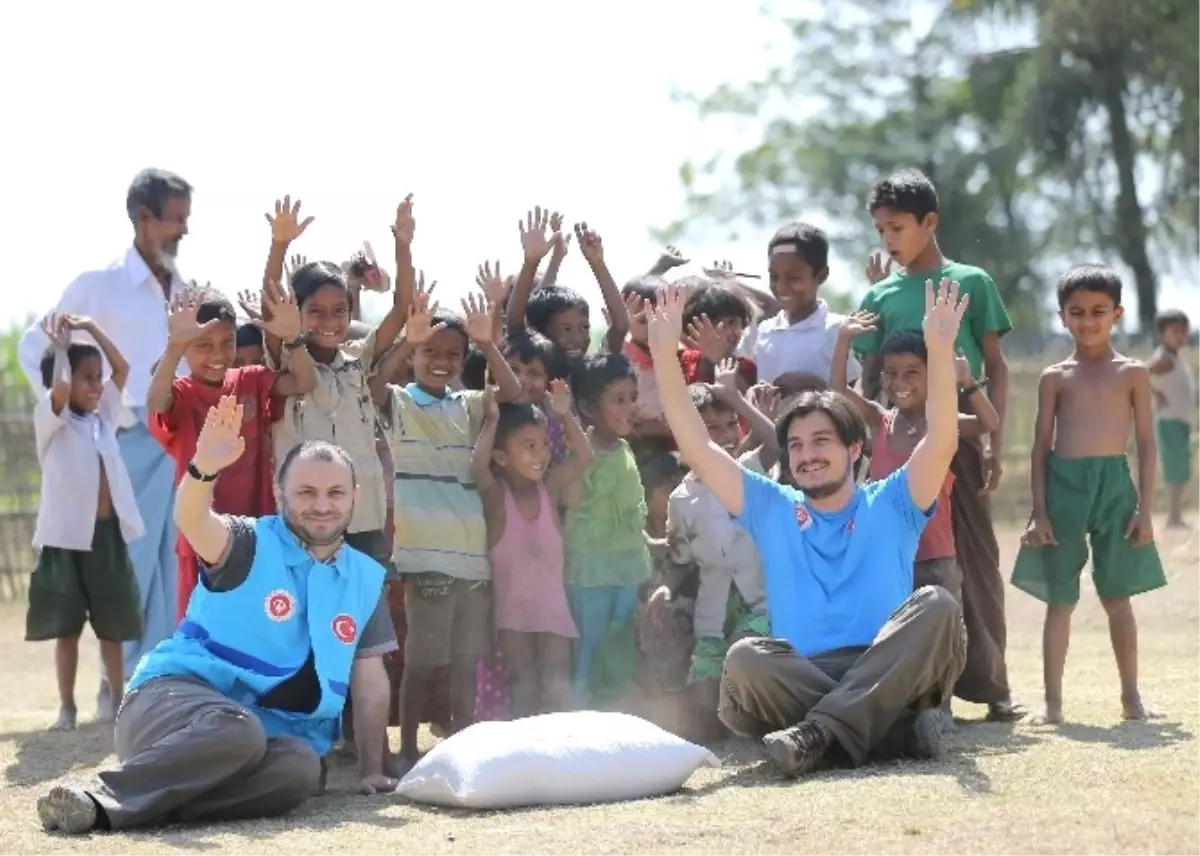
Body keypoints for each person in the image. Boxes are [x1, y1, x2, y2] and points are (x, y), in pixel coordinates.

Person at [36, 396, 398, 836]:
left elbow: (371, 680)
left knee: (300, 770)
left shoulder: (364, 578)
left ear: (354, 498)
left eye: (335, 493)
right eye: (306, 492)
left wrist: (370, 770)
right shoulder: (248, 541)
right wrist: (203, 469)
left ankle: (152, 806)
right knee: (238, 730)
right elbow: (193, 519)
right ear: (280, 493)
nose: (322, 505)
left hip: (259, 738)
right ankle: (98, 794)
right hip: (170, 707)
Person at [650, 279, 968, 777]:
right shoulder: (770, 505)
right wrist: (664, 354)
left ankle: (820, 733)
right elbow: (696, 447)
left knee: (938, 606)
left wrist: (941, 351)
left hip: (890, 664)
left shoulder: (894, 501)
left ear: (854, 450)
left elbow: (943, 440)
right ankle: (894, 733)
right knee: (746, 658)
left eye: (821, 440)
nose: (807, 455)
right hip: (802, 676)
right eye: (795, 446)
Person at [17, 168, 194, 717]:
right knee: (131, 568)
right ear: (144, 218)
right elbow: (34, 347)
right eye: (175, 220)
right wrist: (77, 417)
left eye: (187, 220)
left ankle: (157, 684)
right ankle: (112, 695)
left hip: (176, 437)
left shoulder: (185, 288)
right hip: (123, 441)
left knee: (172, 566)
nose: (183, 231)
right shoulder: (100, 285)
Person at [854, 168, 1021, 721]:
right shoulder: (881, 294)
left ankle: (993, 685)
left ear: (930, 222)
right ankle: (917, 686)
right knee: (909, 563)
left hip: (961, 440)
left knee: (975, 560)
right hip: (901, 450)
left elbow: (995, 367)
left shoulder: (971, 282)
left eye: (898, 227)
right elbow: (870, 377)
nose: (888, 240)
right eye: (880, 229)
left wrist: (993, 442)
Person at [369, 288, 523, 772]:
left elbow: (514, 394)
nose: (440, 361)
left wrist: (489, 345)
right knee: (421, 659)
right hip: (424, 553)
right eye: (428, 351)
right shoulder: (397, 400)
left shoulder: (470, 404)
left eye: (452, 354)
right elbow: (370, 388)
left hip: (471, 553)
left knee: (465, 657)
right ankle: (408, 749)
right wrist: (401, 342)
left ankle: (459, 744)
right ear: (413, 356)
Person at [1011, 264, 1167, 725]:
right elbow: (1041, 446)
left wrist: (1145, 508)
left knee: (1118, 596)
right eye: (1077, 312)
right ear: (1062, 317)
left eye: (1099, 311)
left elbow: (1146, 444)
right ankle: (1053, 704)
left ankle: (1131, 697)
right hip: (1063, 489)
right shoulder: (1054, 377)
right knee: (1061, 600)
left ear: (1116, 314)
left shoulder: (1133, 373)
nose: (1088, 320)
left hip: (1115, 488)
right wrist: (1039, 512)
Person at [148, 284, 316, 619]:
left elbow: (304, 382)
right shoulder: (179, 393)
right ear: (185, 349)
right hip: (201, 536)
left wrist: (294, 338)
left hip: (258, 533)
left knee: (259, 623)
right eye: (203, 345)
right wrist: (173, 347)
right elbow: (155, 403)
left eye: (228, 342)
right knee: (205, 628)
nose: (218, 354)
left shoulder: (251, 381)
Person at [648, 375, 780, 741]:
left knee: (745, 658)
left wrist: (736, 399)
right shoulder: (681, 498)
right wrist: (664, 590)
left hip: (759, 602)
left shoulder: (750, 470)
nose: (725, 435)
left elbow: (778, 444)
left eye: (729, 425)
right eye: (710, 428)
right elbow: (680, 559)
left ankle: (765, 723)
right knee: (705, 706)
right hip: (714, 612)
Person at [29, 314, 144, 732]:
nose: (97, 385)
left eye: (98, 377)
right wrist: (62, 347)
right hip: (65, 540)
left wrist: (93, 329)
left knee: (112, 627)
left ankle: (115, 703)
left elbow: (124, 368)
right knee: (67, 628)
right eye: (87, 378)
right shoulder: (52, 419)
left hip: (106, 537)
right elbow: (60, 388)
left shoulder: (103, 419)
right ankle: (67, 709)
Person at [832, 320, 1000, 602]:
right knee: (892, 637)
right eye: (890, 374)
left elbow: (989, 422)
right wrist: (842, 340)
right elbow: (839, 390)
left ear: (931, 375)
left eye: (912, 373)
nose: (899, 383)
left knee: (942, 638)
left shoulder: (941, 423)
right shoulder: (880, 420)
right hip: (886, 556)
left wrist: (968, 383)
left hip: (935, 559)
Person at [473, 382, 592, 717]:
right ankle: (528, 757)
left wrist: (565, 414)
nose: (541, 454)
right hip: (512, 616)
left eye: (543, 444)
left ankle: (565, 754)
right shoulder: (498, 499)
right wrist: (492, 420)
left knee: (558, 687)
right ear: (501, 456)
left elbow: (585, 456)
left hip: (553, 610)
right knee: (523, 688)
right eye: (528, 446)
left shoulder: (549, 489)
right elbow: (478, 468)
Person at [563, 353, 653, 705]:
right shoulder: (583, 451)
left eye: (632, 398)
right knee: (590, 639)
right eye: (618, 400)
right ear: (587, 406)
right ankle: (578, 709)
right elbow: (569, 500)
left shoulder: (626, 449)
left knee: (619, 638)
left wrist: (651, 541)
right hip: (591, 568)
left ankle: (614, 707)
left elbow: (627, 507)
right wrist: (575, 456)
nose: (629, 408)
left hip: (627, 564)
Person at [742, 222, 861, 395]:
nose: (781, 287)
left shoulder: (839, 331)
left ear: (821, 275)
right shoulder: (762, 332)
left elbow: (856, 396)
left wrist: (816, 388)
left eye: (793, 278)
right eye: (774, 277)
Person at [507, 208, 631, 366]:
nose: (577, 339)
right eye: (566, 329)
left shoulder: (592, 372)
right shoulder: (534, 371)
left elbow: (620, 326)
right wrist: (531, 262)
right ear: (538, 332)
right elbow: (515, 323)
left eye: (584, 327)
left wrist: (598, 264)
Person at [1147, 308, 1194, 529]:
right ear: (1163, 333)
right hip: (1169, 420)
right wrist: (1156, 394)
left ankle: (1176, 515)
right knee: (1176, 467)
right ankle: (1173, 517)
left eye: (1184, 330)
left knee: (1182, 467)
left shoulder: (1177, 357)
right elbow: (1140, 375)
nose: (1181, 335)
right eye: (1175, 330)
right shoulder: (1163, 359)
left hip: (1181, 420)